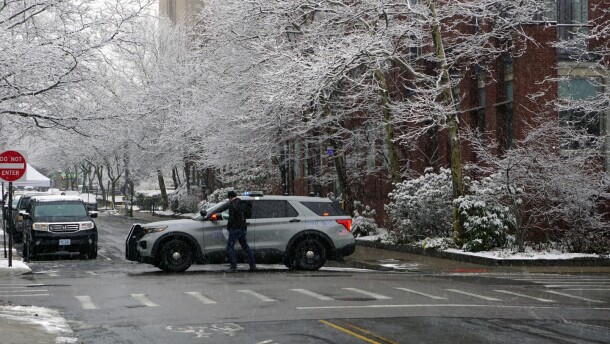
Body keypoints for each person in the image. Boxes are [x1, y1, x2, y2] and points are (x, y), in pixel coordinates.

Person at [225, 190, 256, 272]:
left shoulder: (232, 205)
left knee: (229, 247)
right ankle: (252, 265)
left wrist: (228, 227)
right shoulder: (242, 203)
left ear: (230, 197)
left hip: (235, 228)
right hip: (243, 228)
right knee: (245, 246)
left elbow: (231, 218)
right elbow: (247, 214)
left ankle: (233, 266)